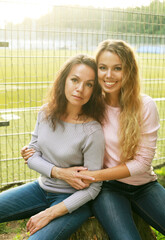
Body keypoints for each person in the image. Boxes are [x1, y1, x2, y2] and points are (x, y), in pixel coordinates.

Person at [22, 39, 165, 240]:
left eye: (117, 68)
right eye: (103, 68)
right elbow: (65, 128)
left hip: (143, 185)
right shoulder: (90, 104)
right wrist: (34, 149)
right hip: (108, 189)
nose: (108, 75)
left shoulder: (146, 106)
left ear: (129, 71)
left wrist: (92, 176)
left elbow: (142, 163)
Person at [0, 54, 106, 240]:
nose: (80, 89)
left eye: (89, 84)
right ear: (64, 80)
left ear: (94, 90)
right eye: (75, 80)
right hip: (40, 189)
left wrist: (50, 213)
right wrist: (60, 172)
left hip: (73, 201)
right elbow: (32, 156)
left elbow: (93, 188)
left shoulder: (92, 130)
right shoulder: (46, 112)